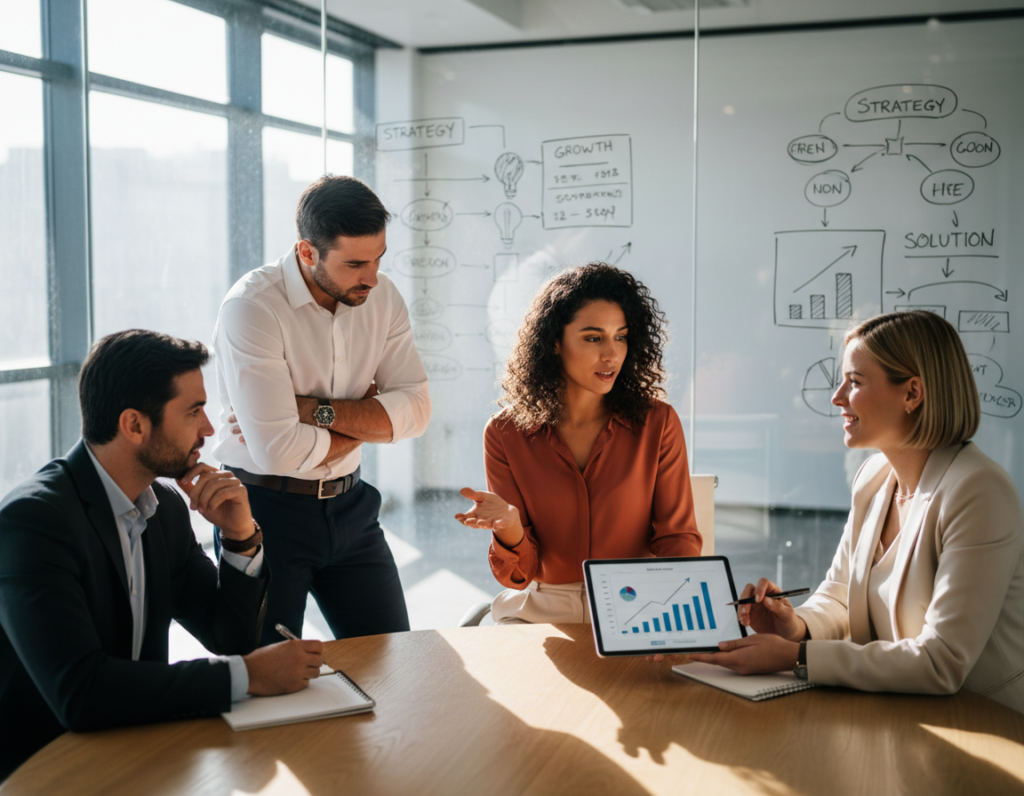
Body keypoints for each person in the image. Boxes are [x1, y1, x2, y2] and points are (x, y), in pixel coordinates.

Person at [0, 330, 324, 781]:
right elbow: (80, 693)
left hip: (140, 749)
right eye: (193, 411)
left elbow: (225, 636)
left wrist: (239, 537)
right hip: (46, 771)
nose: (209, 429)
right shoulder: (33, 522)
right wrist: (246, 676)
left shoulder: (164, 508)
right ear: (134, 425)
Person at [681, 310, 1024, 712]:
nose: (837, 396)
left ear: (912, 393)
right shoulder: (875, 477)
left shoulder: (978, 491)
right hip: (897, 712)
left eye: (855, 382)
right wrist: (796, 626)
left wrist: (796, 658)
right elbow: (841, 597)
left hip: (980, 722)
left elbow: (942, 661)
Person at [213, 175, 430, 645]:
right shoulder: (252, 307)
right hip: (265, 514)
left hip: (352, 508)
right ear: (307, 252)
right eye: (355, 264)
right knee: (269, 684)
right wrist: (372, 419)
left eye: (378, 259)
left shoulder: (382, 296)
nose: (372, 277)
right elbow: (277, 454)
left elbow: (416, 409)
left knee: (395, 662)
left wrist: (311, 410)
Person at [456, 263, 702, 623]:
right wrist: (508, 525)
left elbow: (677, 540)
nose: (612, 354)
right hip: (542, 610)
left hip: (636, 607)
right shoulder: (505, 433)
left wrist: (675, 615)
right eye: (593, 337)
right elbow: (519, 575)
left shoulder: (657, 423)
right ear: (554, 342)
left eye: (620, 336)